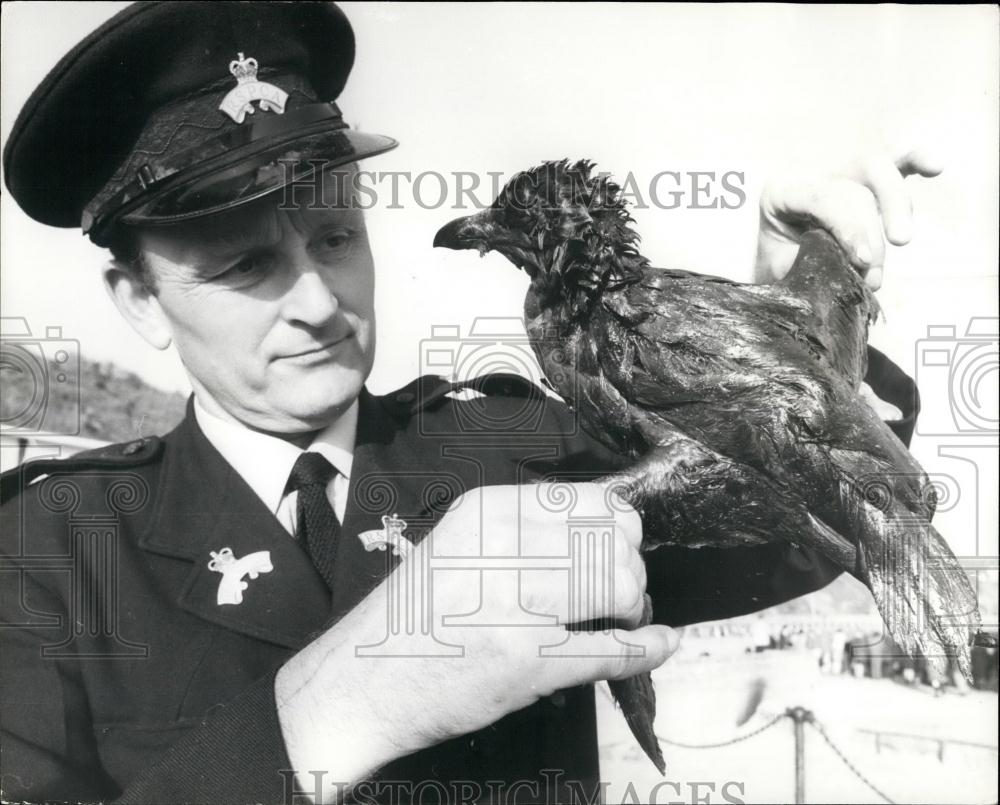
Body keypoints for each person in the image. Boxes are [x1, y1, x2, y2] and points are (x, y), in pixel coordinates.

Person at [0, 3, 933, 803]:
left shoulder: (519, 440)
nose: (321, 302)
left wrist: (795, 329)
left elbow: (801, 534)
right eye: (246, 264)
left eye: (335, 236)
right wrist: (336, 704)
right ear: (139, 301)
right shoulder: (50, 548)